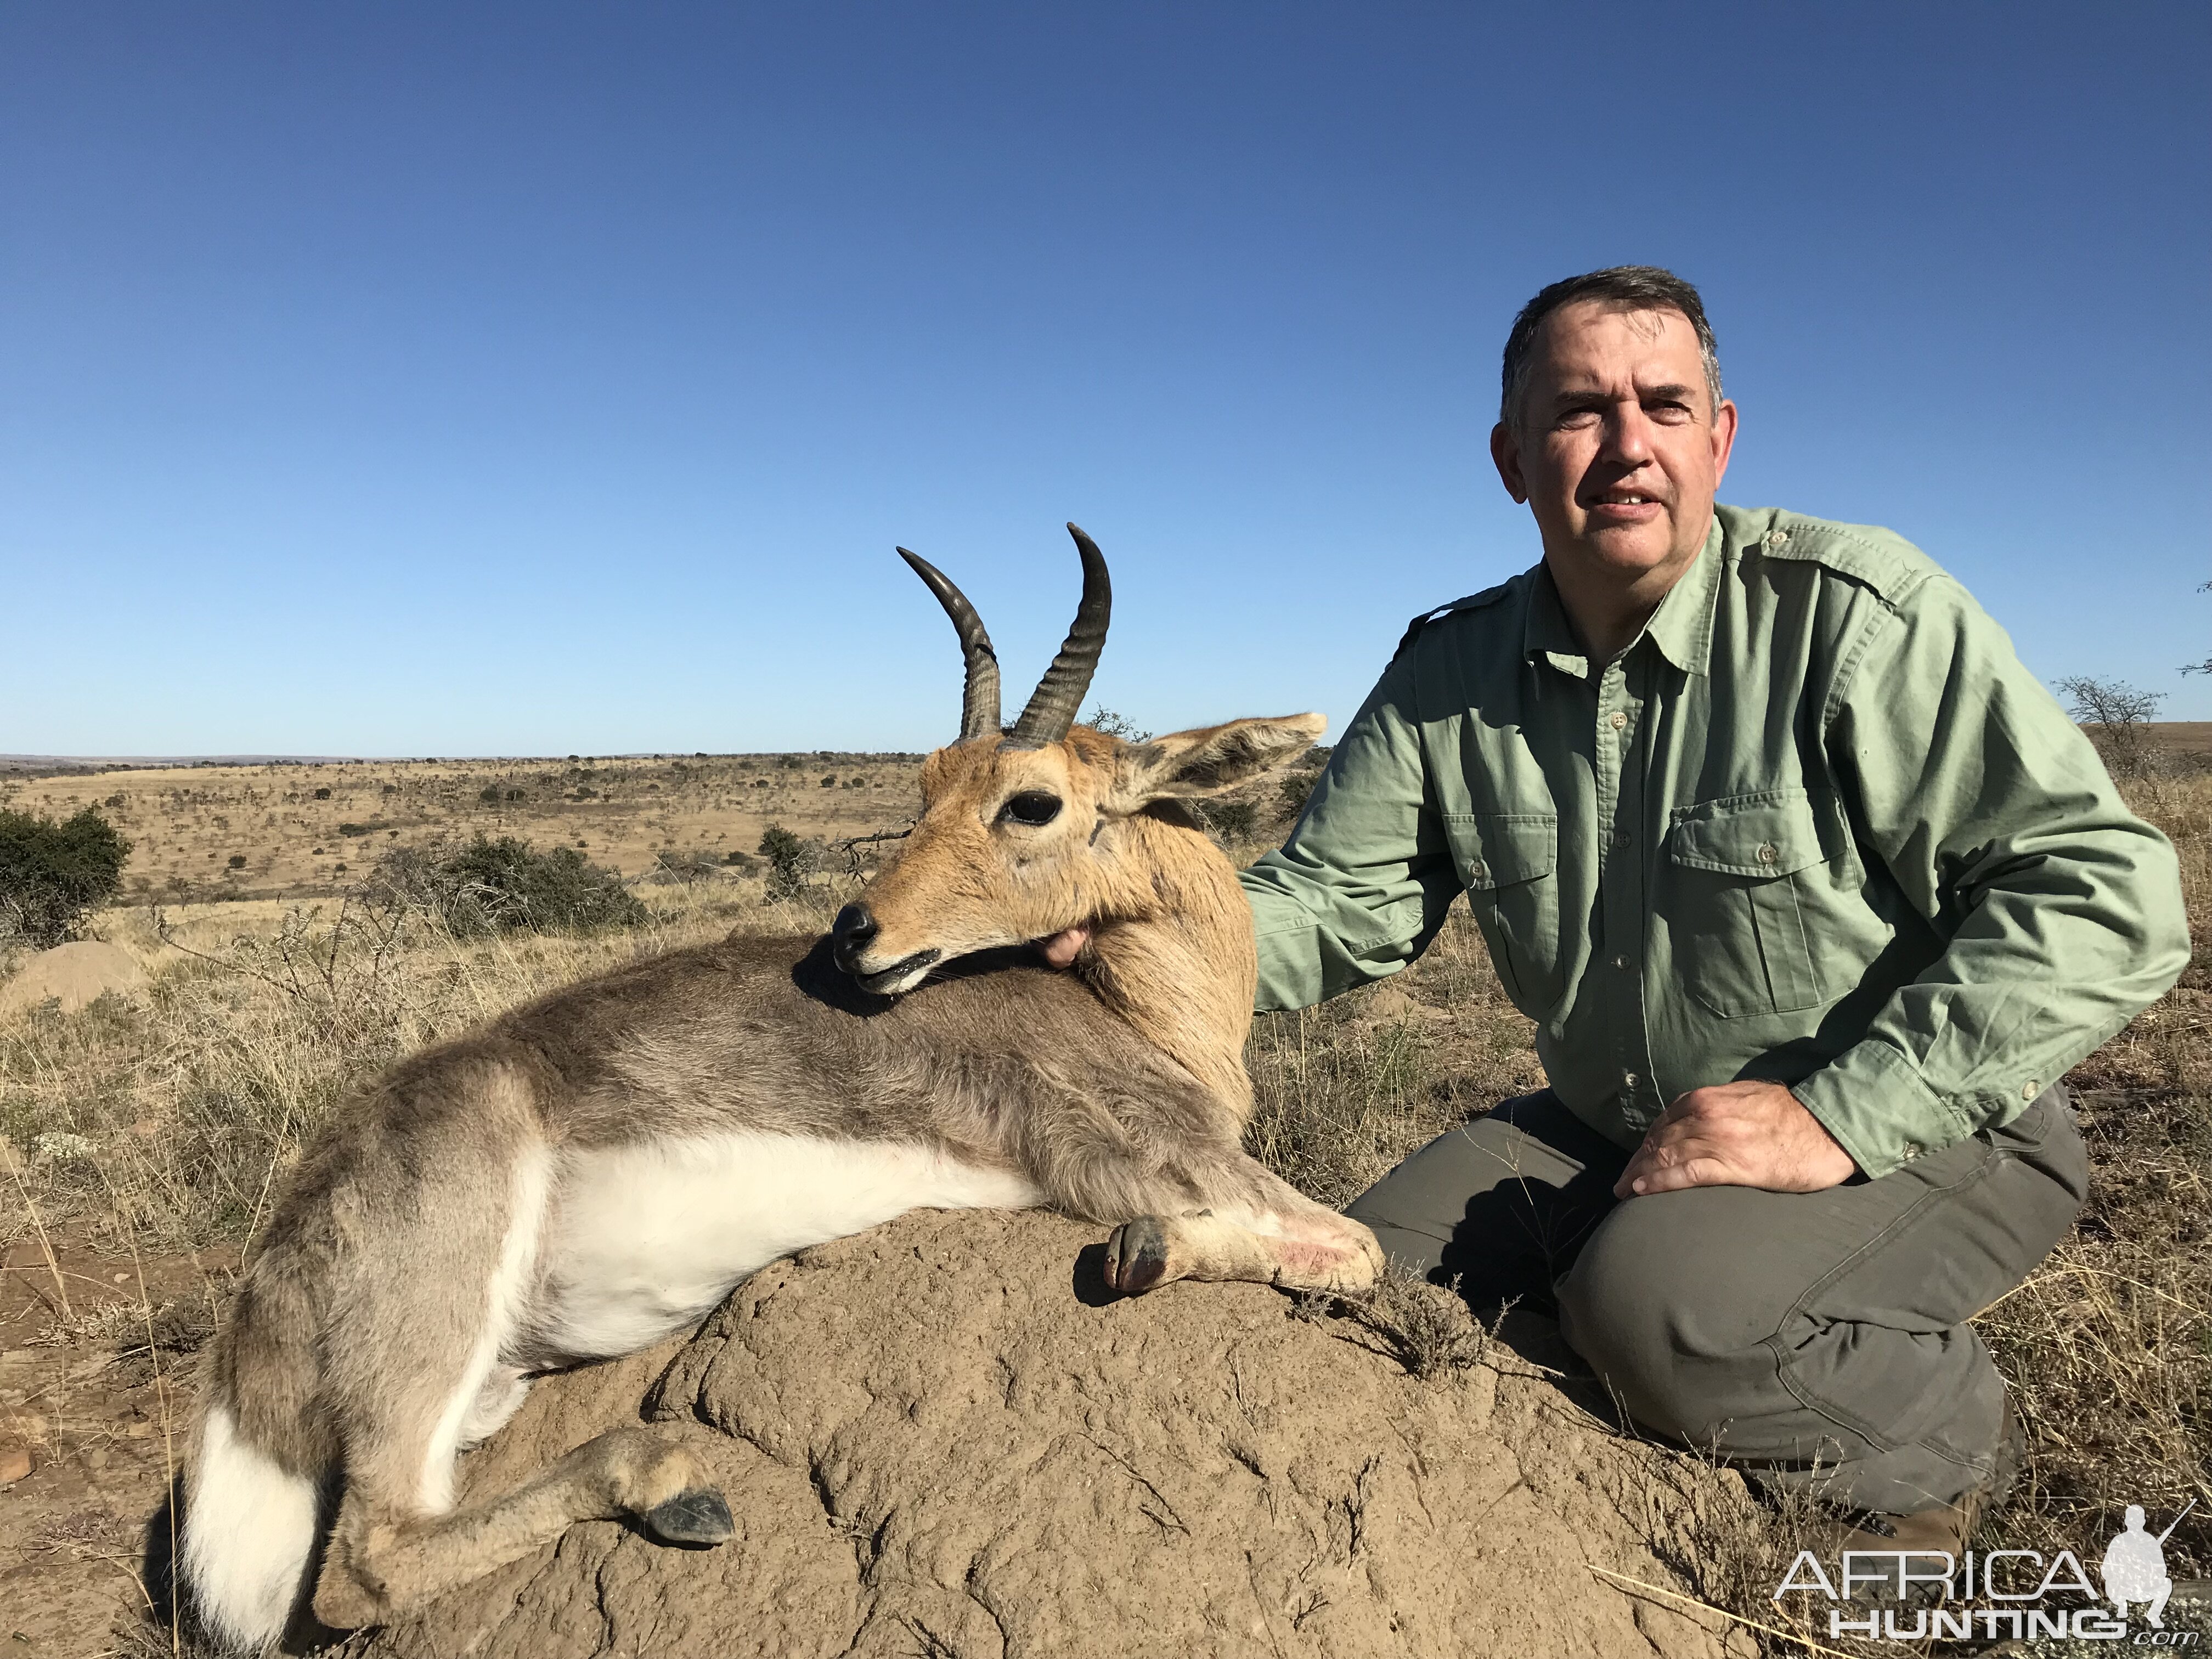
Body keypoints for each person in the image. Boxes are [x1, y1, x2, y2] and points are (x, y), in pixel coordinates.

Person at [1228, 266, 2191, 1550]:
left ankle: (1949, 1441)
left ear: (1719, 438)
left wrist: (1832, 1115)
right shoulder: (1443, 674)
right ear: (1513, 459)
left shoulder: (1855, 618)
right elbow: (1338, 905)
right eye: (1579, 411)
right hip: (1612, 1122)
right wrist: (1128, 929)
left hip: (1931, 1120)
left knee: (1658, 1309)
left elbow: (2106, 888)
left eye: (1665, 406)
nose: (1627, 445)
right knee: (1350, 1276)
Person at [2102, 1505, 2174, 1628]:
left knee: (2166, 1583)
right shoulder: (2119, 1541)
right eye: (2133, 1520)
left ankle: (2153, 1615)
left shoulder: (2149, 1541)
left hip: (2142, 1589)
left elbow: (2161, 1570)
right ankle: (2122, 1606)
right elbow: (2107, 1570)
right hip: (2124, 1589)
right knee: (2111, 1581)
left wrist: (2146, 1571)